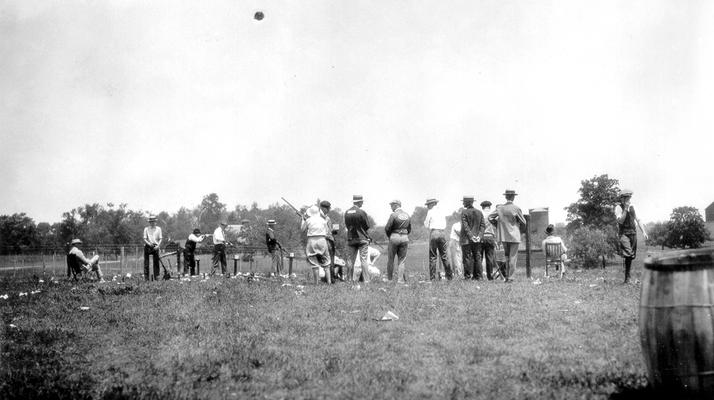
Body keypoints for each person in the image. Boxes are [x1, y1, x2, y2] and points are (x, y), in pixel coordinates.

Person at [489, 190, 526, 283]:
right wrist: (518, 227)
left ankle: (507, 277)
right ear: (513, 197)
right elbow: (524, 222)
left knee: (507, 257)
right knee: (513, 258)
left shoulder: (500, 208)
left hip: (504, 236)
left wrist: (497, 225)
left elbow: (490, 217)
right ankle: (511, 278)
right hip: (514, 236)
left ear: (506, 197)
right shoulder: (516, 208)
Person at [614, 189, 648, 283]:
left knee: (631, 256)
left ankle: (627, 278)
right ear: (622, 199)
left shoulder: (633, 207)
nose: (628, 200)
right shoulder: (618, 208)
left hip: (633, 233)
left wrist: (644, 232)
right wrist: (625, 208)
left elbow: (639, 220)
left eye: (629, 197)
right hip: (623, 234)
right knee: (629, 253)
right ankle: (627, 277)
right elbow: (620, 220)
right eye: (626, 198)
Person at [344, 195, 373, 283]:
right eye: (362, 201)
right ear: (359, 202)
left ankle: (349, 279)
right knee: (363, 260)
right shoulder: (361, 212)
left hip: (351, 238)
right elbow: (367, 226)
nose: (362, 203)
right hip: (362, 239)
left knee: (350, 260)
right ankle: (366, 280)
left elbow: (347, 225)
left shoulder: (347, 212)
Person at [423, 198, 453, 280]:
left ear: (432, 204)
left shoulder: (430, 212)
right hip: (442, 233)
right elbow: (445, 224)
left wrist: (429, 225)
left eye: (428, 204)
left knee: (433, 256)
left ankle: (432, 278)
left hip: (434, 232)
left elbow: (426, 224)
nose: (427, 206)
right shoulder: (442, 211)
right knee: (444, 255)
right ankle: (450, 277)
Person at [301, 205, 332, 284]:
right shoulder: (323, 220)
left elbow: (302, 229)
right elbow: (328, 231)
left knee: (314, 262)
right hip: (322, 240)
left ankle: (316, 283)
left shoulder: (308, 220)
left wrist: (303, 220)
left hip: (312, 240)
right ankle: (329, 282)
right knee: (326, 262)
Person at [385, 199, 412, 283]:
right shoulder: (407, 215)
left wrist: (390, 236)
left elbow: (387, 228)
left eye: (392, 205)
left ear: (396, 205)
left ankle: (389, 279)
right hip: (405, 237)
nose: (391, 207)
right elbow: (409, 229)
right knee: (402, 260)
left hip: (394, 236)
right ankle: (400, 280)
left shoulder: (393, 215)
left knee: (390, 259)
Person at [461, 195, 485, 280]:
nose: (463, 203)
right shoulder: (479, 212)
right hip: (478, 239)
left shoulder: (464, 212)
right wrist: (479, 236)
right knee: (477, 257)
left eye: (464, 201)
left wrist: (471, 236)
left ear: (467, 202)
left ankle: (467, 277)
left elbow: (465, 226)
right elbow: (482, 226)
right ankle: (478, 276)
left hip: (466, 240)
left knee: (467, 258)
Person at [319, 200, 340, 281]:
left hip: (321, 240)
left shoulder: (321, 217)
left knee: (323, 259)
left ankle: (325, 278)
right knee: (330, 259)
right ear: (324, 208)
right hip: (327, 240)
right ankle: (331, 278)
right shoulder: (326, 218)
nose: (329, 210)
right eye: (328, 208)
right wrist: (334, 231)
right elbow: (330, 231)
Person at [480, 200, 498, 280]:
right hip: (490, 236)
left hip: (481, 237)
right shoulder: (492, 214)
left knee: (479, 257)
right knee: (489, 257)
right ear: (489, 207)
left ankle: (479, 275)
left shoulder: (479, 214)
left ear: (482, 207)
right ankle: (490, 276)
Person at [143, 215, 163, 280]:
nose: (152, 223)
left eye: (153, 221)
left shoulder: (158, 229)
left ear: (155, 222)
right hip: (148, 245)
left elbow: (160, 239)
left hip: (156, 246)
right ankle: (146, 278)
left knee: (156, 262)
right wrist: (149, 244)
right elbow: (145, 239)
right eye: (151, 222)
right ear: (149, 222)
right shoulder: (146, 229)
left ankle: (156, 277)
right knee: (146, 263)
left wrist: (158, 246)